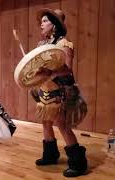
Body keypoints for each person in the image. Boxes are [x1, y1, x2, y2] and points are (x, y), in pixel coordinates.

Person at [32, 9, 88, 177]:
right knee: (46, 123)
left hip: (59, 91)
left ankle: (78, 163)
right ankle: (50, 155)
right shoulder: (41, 45)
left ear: (54, 25)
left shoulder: (64, 45)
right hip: (45, 90)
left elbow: (68, 70)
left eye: (44, 21)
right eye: (41, 21)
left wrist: (51, 72)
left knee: (62, 125)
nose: (41, 24)